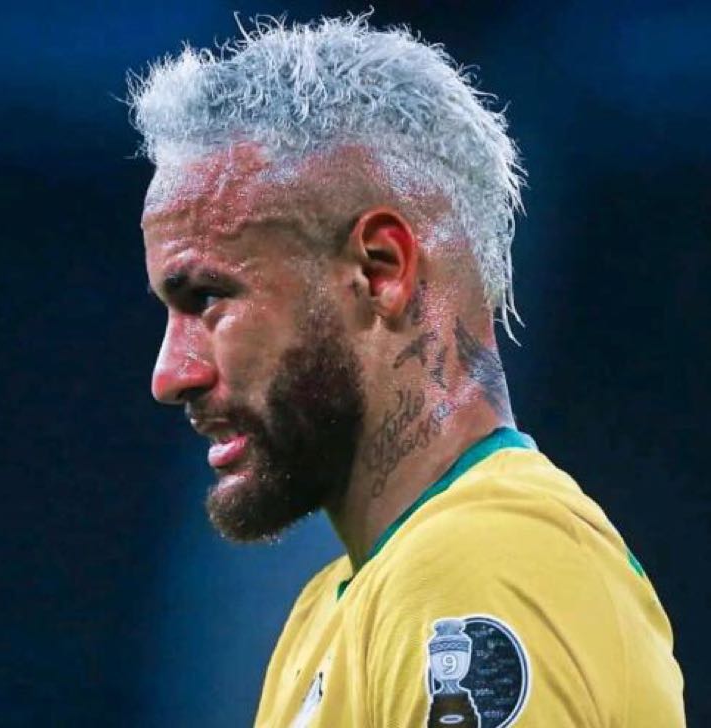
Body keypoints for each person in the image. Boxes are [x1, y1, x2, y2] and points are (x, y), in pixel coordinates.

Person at [130, 15, 685, 727]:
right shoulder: (339, 606)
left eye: (208, 298)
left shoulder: (478, 565)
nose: (170, 374)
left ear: (380, 270)